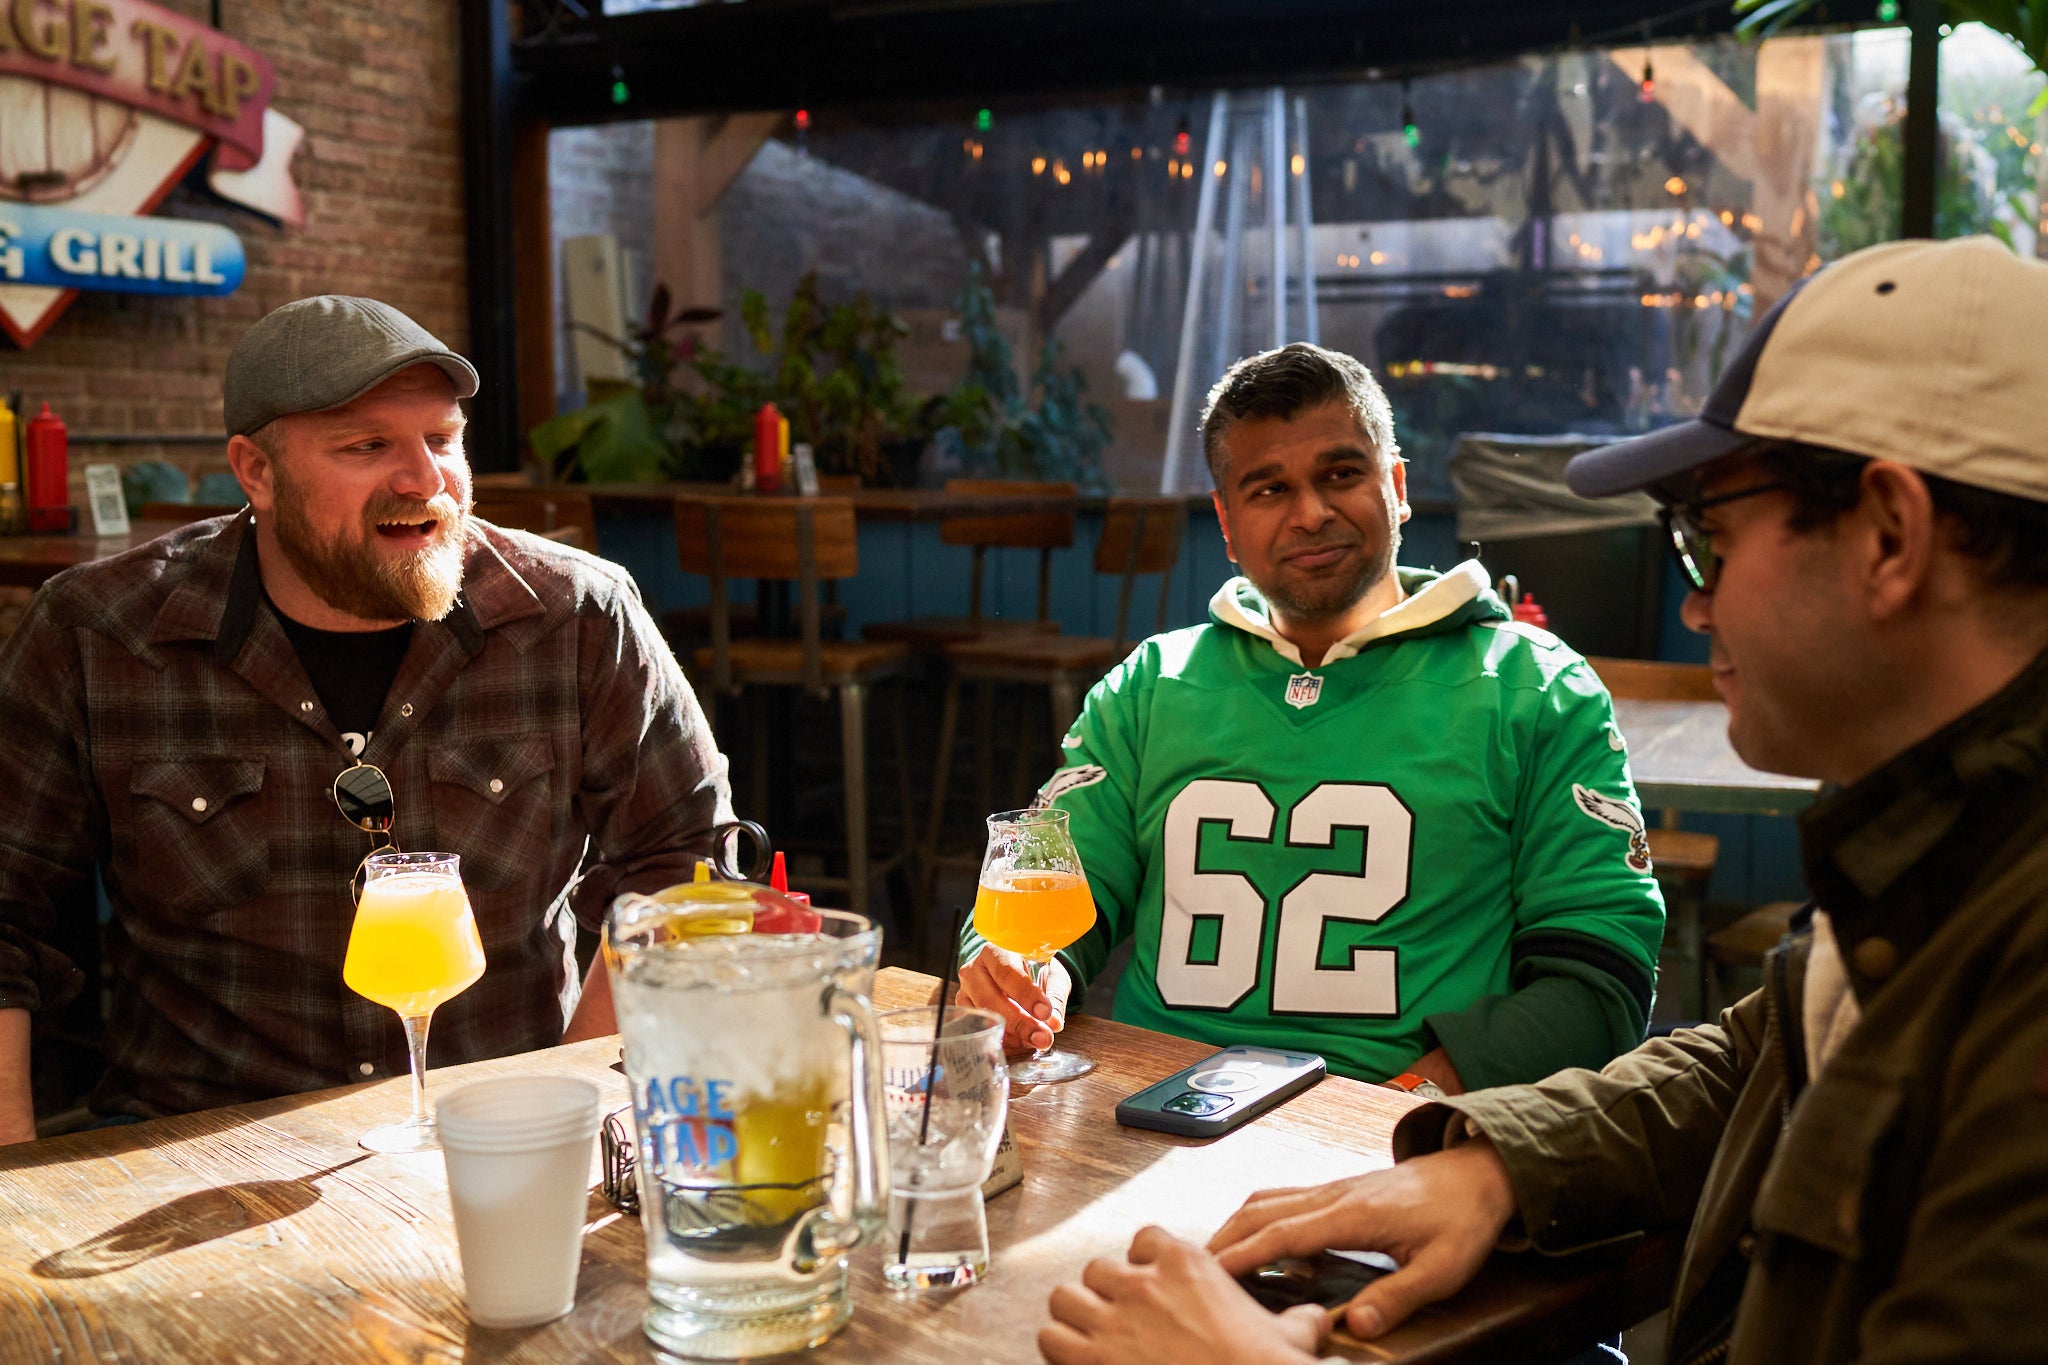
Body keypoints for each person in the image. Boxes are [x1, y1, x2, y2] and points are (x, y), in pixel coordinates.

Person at [1040, 235, 2048, 1365]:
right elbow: (1736, 1063)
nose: (1697, 608)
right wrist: (1489, 1162)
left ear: (1891, 537)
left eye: (1706, 542)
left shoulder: (2010, 948)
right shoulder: (1917, 876)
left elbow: (1599, 973)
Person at [0, 296, 731, 1143]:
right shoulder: (97, 632)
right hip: (194, 1136)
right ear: (257, 472)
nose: (424, 478)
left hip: (497, 1118)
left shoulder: (574, 615)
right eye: (368, 445)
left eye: (443, 438)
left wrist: (567, 1102)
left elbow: (687, 860)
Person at [958, 342, 1665, 1094]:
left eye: (1340, 474)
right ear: (1227, 526)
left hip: (1400, 1133)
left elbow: (1601, 972)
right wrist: (1016, 975)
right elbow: (1037, 887)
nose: (1311, 513)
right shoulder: (1149, 685)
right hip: (1150, 1116)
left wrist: (1411, 1107)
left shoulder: (1540, 687)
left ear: (1395, 485)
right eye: (1268, 490)